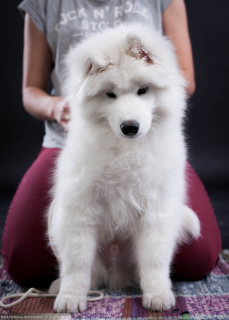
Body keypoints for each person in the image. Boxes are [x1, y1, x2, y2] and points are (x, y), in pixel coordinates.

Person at [1, 0, 221, 287]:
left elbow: (183, 80)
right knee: (24, 264)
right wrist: (57, 107)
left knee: (198, 259)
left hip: (152, 141)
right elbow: (31, 89)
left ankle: (145, 242)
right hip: (74, 139)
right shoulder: (43, 3)